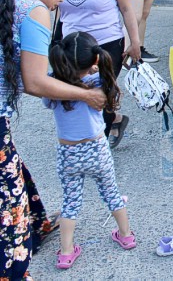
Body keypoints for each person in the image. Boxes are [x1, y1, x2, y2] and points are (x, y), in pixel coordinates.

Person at [0, 0, 106, 279]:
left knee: (13, 168)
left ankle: (37, 225)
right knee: (9, 197)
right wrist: (87, 93)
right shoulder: (34, 10)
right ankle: (14, 270)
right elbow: (35, 82)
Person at [44, 32, 135, 269]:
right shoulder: (100, 82)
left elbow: (46, 99)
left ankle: (66, 252)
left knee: (70, 201)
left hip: (69, 153)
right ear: (95, 61)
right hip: (97, 149)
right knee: (112, 193)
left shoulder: (55, 86)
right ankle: (126, 235)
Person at [61, 0, 141, 148]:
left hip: (106, 44)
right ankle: (114, 120)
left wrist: (135, 43)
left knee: (102, 91)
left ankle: (98, 144)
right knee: (77, 90)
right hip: (72, 45)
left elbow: (127, 9)